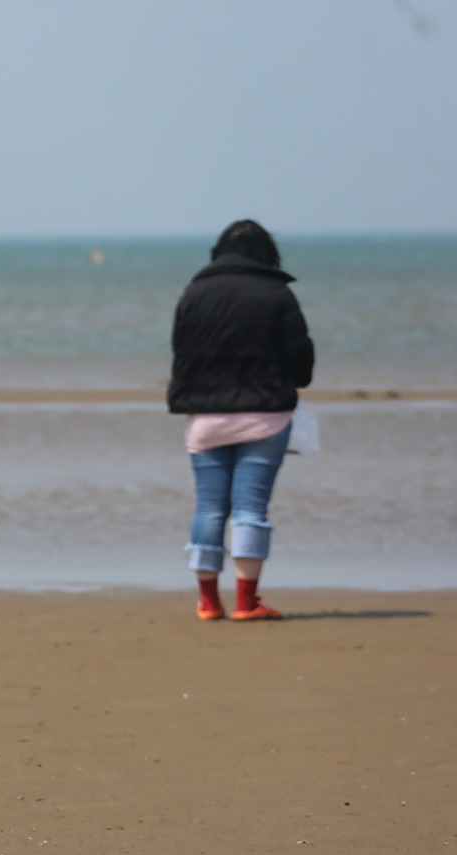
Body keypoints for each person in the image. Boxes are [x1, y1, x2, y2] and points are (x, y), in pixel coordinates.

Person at [169, 219, 315, 622]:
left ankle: (208, 602)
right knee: (251, 508)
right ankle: (246, 602)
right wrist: (291, 381)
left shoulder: (194, 293)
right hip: (265, 417)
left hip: (207, 417)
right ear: (266, 254)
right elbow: (300, 359)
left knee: (210, 509)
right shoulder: (277, 293)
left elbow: (181, 355)